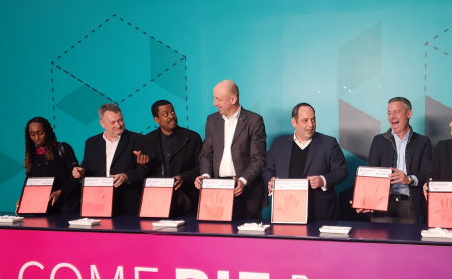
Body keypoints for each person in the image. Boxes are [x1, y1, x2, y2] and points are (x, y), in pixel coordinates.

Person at [263, 103, 348, 222]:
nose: (311, 124)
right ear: (294, 122)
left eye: (313, 120)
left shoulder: (329, 143)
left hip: (320, 212)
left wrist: (323, 180)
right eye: (305, 120)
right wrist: (270, 181)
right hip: (286, 211)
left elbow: (341, 171)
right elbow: (267, 170)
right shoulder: (278, 144)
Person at [195, 80, 267, 219]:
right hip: (218, 190)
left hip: (246, 191)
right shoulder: (211, 120)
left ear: (233, 99)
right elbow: (206, 154)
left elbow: (258, 159)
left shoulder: (254, 121)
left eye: (218, 99)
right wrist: (205, 176)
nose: (214, 103)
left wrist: (243, 181)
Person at [357, 97, 432, 223]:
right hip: (382, 205)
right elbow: (371, 175)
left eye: (396, 112)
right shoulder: (378, 141)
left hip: (410, 206)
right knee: (381, 236)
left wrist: (409, 179)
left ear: (409, 113)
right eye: (389, 113)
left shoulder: (423, 142)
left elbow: (427, 173)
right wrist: (364, 200)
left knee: (409, 237)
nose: (392, 117)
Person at [72, 104, 143, 215]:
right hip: (98, 202)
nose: (118, 125)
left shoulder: (138, 140)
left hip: (127, 204)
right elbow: (86, 166)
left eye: (120, 120)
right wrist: (81, 171)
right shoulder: (91, 142)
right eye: (113, 122)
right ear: (102, 123)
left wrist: (126, 176)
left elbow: (145, 170)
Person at [138, 100, 203, 215]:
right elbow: (140, 175)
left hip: (186, 198)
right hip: (157, 200)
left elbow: (201, 167)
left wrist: (183, 178)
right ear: (156, 119)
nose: (171, 116)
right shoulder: (147, 140)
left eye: (172, 112)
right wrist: (144, 166)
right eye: (166, 114)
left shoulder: (192, 138)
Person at [21, 117, 80, 214]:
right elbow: (30, 181)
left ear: (47, 131)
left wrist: (59, 192)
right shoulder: (32, 154)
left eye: (40, 133)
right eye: (32, 134)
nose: (37, 137)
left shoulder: (63, 148)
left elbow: (76, 177)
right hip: (43, 207)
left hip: (67, 206)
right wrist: (23, 199)